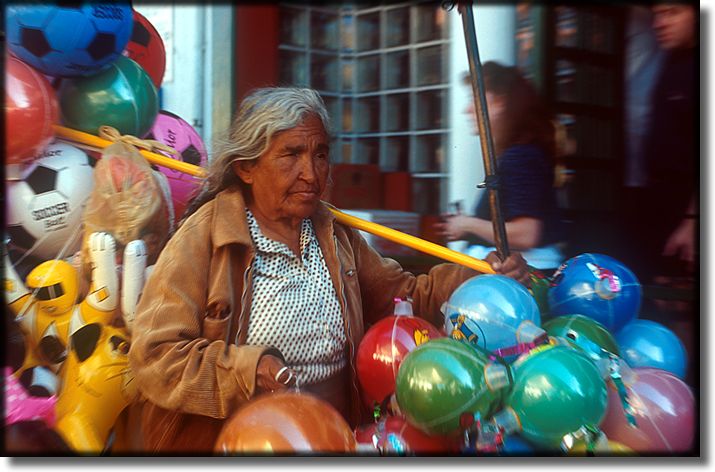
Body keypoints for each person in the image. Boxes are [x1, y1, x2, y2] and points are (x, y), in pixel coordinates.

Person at [124, 87, 530, 453]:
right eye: (291, 155)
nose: (312, 173)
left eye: (320, 154)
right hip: (240, 443)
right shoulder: (205, 237)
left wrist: (479, 277)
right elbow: (156, 356)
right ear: (247, 167)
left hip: (334, 438)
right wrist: (248, 370)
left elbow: (403, 297)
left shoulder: (332, 233)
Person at [435, 62, 566, 271]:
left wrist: (467, 224)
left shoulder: (519, 156)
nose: (467, 109)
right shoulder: (522, 153)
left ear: (501, 102)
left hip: (520, 280)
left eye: (474, 99)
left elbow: (526, 234)